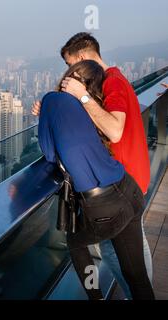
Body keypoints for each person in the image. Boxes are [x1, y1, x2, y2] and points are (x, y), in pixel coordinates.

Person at [32, 32, 152, 299]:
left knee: (87, 246)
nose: (68, 72)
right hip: (126, 185)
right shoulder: (109, 81)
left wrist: (80, 97)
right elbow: (91, 128)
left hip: (110, 195)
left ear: (82, 59)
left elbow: (114, 131)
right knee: (136, 273)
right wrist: (57, 113)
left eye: (70, 65)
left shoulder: (113, 82)